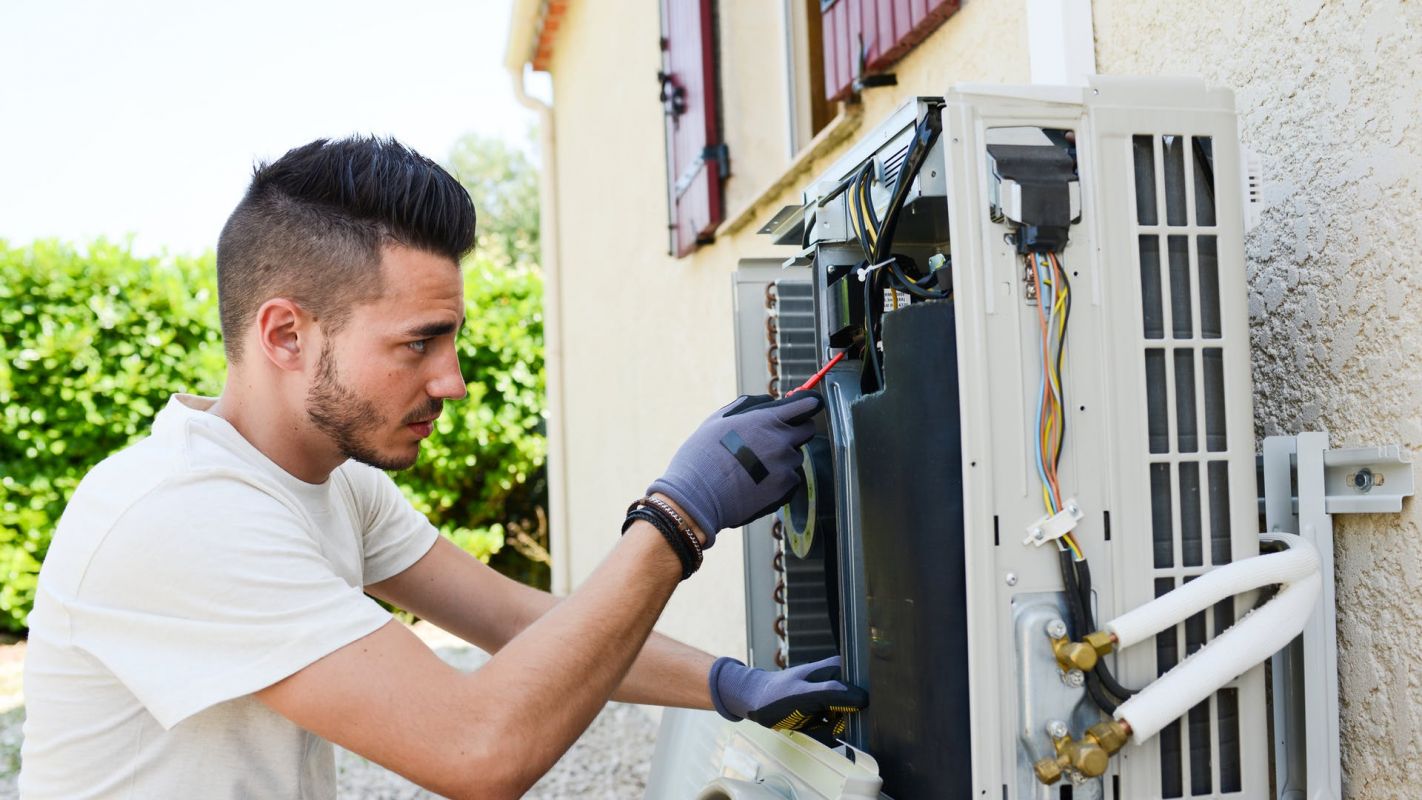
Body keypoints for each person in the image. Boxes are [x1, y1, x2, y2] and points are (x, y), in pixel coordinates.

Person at [18, 137, 867, 799]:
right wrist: (676, 520)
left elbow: (509, 618)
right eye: (418, 342)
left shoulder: (334, 481)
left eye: (451, 337)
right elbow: (478, 749)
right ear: (285, 334)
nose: (452, 381)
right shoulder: (182, 514)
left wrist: (728, 683)